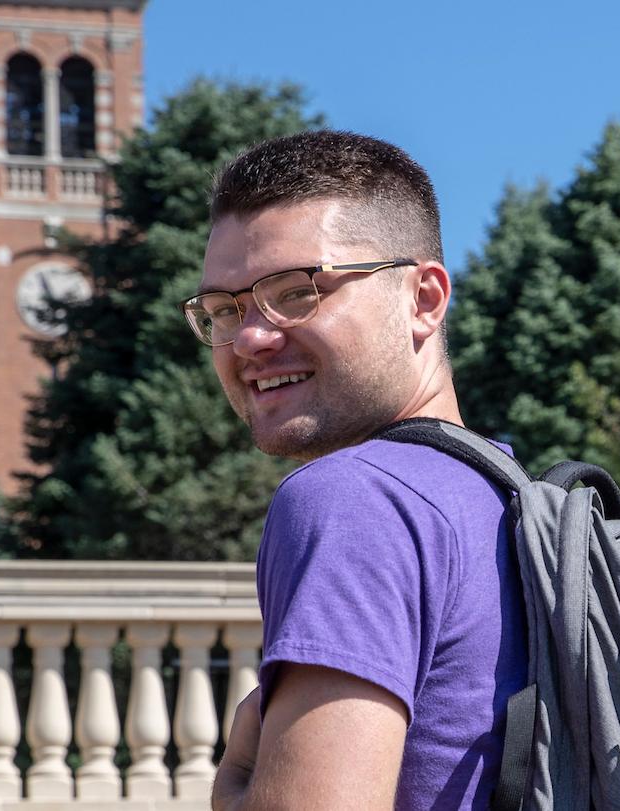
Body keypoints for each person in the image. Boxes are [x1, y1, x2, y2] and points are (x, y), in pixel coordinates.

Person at [199, 130, 526, 809]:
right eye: (224, 310)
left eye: (295, 291)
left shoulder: (354, 500)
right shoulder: (510, 501)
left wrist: (236, 789)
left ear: (425, 299)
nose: (250, 338)